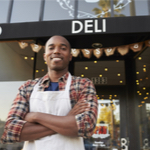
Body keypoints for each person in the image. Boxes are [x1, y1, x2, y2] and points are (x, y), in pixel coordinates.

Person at [0, 35, 98, 150]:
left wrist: (36, 116)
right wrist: (67, 119)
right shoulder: (28, 87)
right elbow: (11, 131)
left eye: (63, 48)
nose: (56, 51)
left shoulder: (83, 85)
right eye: (51, 48)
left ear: (70, 56)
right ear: (44, 56)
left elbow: (86, 126)